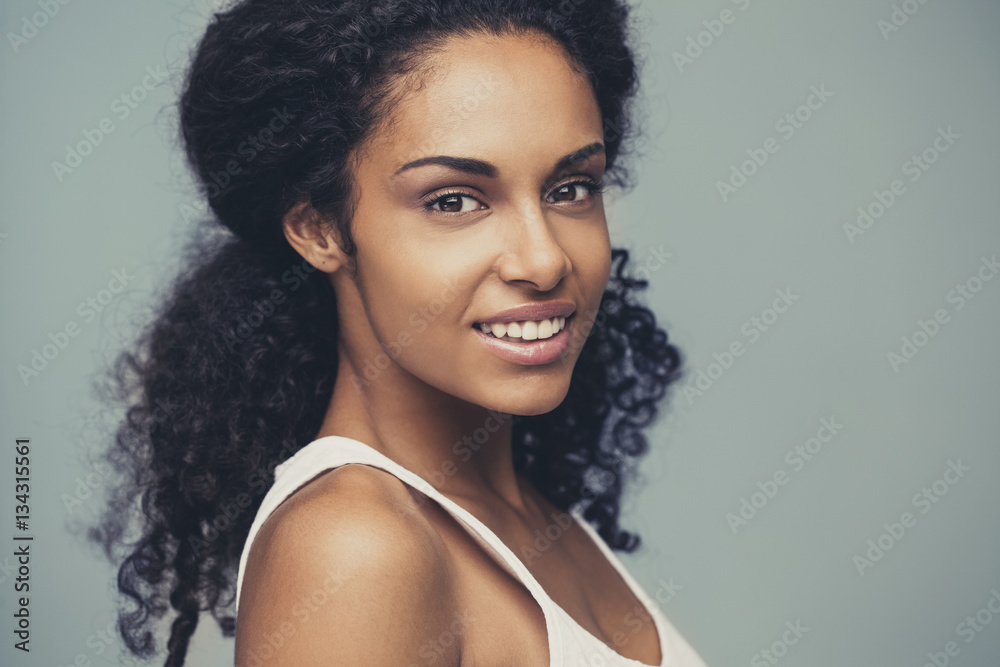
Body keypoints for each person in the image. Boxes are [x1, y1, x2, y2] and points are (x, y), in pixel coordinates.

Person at [91, 0, 707, 665]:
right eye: (454, 200)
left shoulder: (527, 513)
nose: (545, 258)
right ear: (320, 230)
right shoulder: (355, 547)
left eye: (570, 188)